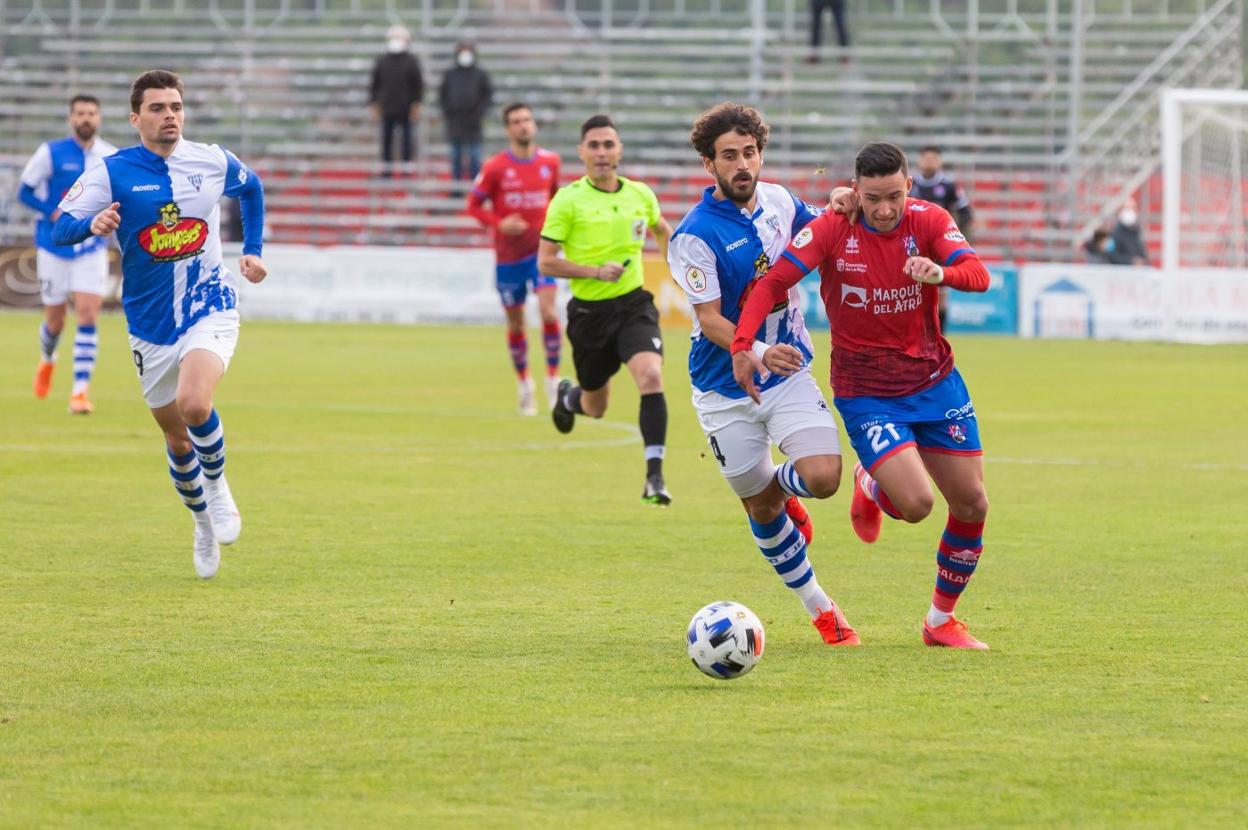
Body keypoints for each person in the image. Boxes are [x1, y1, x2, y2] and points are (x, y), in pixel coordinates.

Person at [731, 141, 993, 650]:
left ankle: (940, 623)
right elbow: (770, 284)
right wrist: (745, 344)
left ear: (908, 187)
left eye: (894, 195)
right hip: (867, 392)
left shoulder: (930, 220)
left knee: (972, 504)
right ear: (855, 190)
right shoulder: (833, 227)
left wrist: (943, 274)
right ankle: (872, 484)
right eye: (873, 197)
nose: (885, 209)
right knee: (916, 505)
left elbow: (977, 275)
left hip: (935, 381)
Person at [53, 70, 267, 580]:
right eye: (157, 108)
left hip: (208, 302)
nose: (169, 115)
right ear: (136, 118)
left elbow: (252, 188)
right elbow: (62, 225)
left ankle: (217, 490)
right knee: (175, 439)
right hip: (149, 323)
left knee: (196, 404)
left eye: (175, 106)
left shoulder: (211, 160)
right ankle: (200, 522)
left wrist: (253, 251)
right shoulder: (112, 171)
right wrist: (93, 223)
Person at [667, 103, 858, 644]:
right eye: (729, 156)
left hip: (788, 366)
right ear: (710, 165)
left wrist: (838, 203)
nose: (743, 164)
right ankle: (821, 607)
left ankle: (783, 487)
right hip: (723, 386)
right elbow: (708, 320)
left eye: (749, 152)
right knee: (761, 508)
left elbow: (819, 227)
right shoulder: (694, 235)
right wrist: (755, 346)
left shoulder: (776, 198)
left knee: (822, 478)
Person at [538, 114, 675, 505]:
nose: (602, 152)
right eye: (594, 145)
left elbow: (662, 230)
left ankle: (655, 478)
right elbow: (546, 262)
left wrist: (682, 269)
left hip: (633, 305)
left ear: (619, 150)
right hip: (589, 315)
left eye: (608, 144)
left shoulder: (640, 194)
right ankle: (569, 398)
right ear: (581, 152)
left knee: (650, 375)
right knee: (596, 407)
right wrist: (594, 271)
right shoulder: (567, 200)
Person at [18, 95, 118, 414]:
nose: (85, 118)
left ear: (99, 118)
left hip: (91, 246)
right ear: (71, 118)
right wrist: (52, 211)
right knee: (56, 321)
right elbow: (24, 190)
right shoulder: (51, 152)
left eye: (91, 113)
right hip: (54, 245)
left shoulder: (110, 156)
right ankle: (48, 359)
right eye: (80, 113)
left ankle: (79, 392)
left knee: (88, 313)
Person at [465, 103, 563, 414]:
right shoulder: (495, 168)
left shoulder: (550, 162)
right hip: (508, 258)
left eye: (527, 120)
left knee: (549, 313)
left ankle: (552, 379)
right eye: (517, 121)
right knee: (516, 321)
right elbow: (473, 205)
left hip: (541, 254)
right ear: (508, 129)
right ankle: (524, 384)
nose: (524, 126)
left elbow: (557, 200)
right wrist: (500, 224)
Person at [910, 146, 974, 330]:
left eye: (933, 158)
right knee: (909, 292)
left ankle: (939, 336)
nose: (929, 162)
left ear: (939, 161)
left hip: (938, 247)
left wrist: (953, 238)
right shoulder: (910, 184)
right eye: (926, 158)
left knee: (941, 295)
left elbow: (966, 214)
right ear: (920, 160)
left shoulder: (948, 186)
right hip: (913, 245)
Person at [369, 25, 424, 173]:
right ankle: (387, 171)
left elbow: (418, 85)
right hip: (387, 107)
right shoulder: (382, 61)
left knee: (407, 141)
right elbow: (375, 84)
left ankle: (406, 170)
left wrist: (416, 104)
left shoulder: (411, 61)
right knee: (386, 141)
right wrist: (374, 104)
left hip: (406, 108)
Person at [438, 42, 492, 181]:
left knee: (474, 156)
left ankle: (476, 187)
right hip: (455, 122)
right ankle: (456, 189)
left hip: (474, 122)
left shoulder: (480, 74)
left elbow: (487, 96)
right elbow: (442, 95)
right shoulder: (450, 74)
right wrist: (449, 111)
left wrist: (479, 113)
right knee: (456, 156)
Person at [1108, 197, 1149, 265]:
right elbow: (1111, 256)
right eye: (1126, 208)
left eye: (1132, 208)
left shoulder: (1136, 232)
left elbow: (1143, 255)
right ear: (1119, 212)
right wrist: (1131, 261)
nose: (1130, 211)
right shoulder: (1114, 234)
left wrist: (1143, 262)